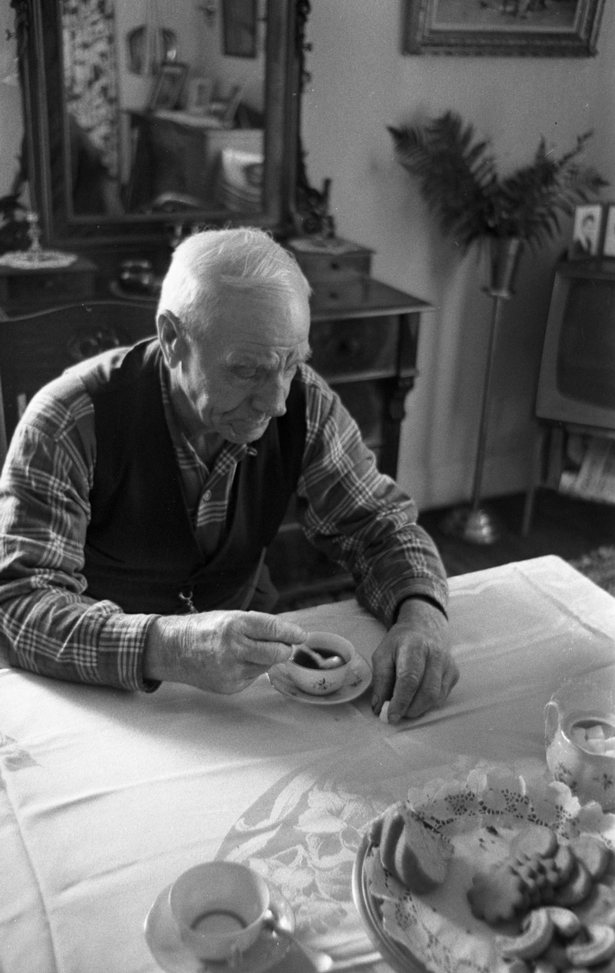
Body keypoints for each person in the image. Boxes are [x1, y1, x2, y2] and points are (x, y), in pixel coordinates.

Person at [0, 228, 457, 721]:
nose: (277, 403)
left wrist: (421, 617)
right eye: (247, 370)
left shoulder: (305, 403)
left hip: (243, 694)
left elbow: (383, 529)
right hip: (102, 701)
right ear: (172, 340)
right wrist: (167, 647)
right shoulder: (68, 421)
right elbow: (19, 606)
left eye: (292, 364)